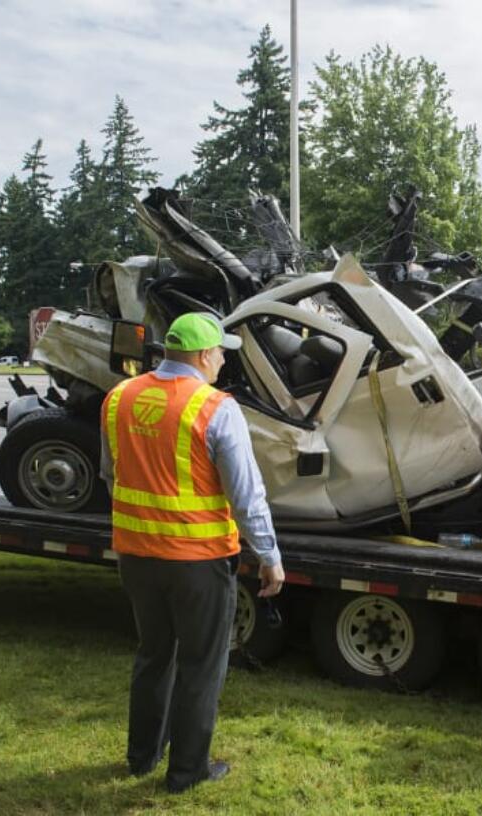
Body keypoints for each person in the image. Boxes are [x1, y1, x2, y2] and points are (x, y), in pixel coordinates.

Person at [100, 312, 284, 794]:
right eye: (221, 352)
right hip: (197, 561)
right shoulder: (215, 407)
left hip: (136, 555)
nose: (223, 360)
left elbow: (109, 473)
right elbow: (246, 494)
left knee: (153, 655)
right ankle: (187, 772)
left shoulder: (118, 397)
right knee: (201, 665)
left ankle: (142, 757)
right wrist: (269, 554)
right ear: (203, 356)